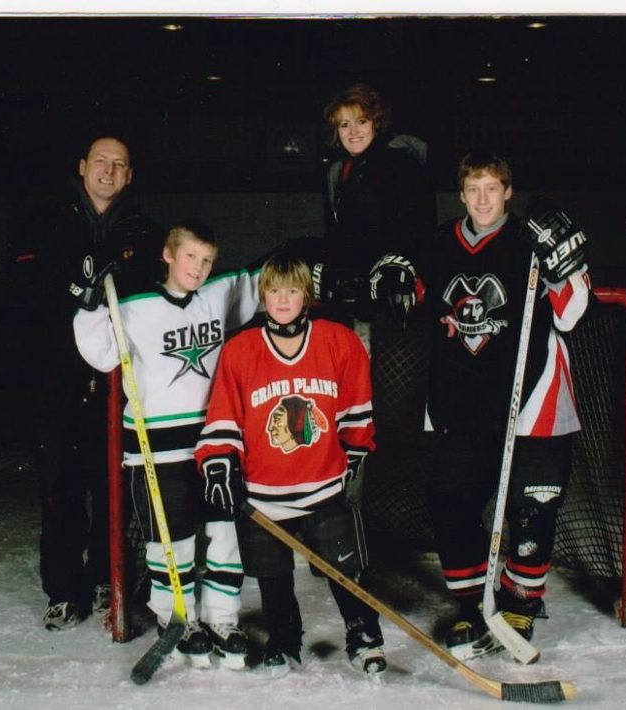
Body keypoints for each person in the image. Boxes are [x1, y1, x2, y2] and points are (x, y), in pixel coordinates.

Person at [369, 150, 590, 661]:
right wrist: (392, 277)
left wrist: (563, 262)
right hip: (465, 405)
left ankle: (520, 603)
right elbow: (407, 288)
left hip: (534, 400)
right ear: (461, 193)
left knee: (532, 510)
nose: (483, 199)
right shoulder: (441, 243)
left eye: (493, 188)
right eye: (473, 189)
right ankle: (475, 603)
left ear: (508, 191)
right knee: (448, 499)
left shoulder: (531, 241)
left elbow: (574, 313)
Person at [73, 221, 261, 668]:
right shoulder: (134, 307)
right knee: (170, 541)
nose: (199, 268)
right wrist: (91, 303)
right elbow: (98, 353)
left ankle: (221, 618)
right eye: (190, 257)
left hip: (213, 446)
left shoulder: (218, 294)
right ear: (168, 255)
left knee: (224, 535)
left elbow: (267, 283)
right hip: (155, 449)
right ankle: (176, 618)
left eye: (207, 260)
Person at [193, 251, 386, 677]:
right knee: (273, 577)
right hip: (264, 493)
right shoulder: (241, 350)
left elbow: (356, 408)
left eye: (292, 290)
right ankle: (285, 638)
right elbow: (224, 415)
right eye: (275, 290)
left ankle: (363, 633)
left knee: (345, 568)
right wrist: (220, 462)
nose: (283, 299)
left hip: (323, 485)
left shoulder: (339, 340)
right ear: (263, 296)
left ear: (307, 296)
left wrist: (354, 451)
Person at [8, 135, 161, 631]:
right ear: (82, 167)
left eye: (120, 163)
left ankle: (105, 578)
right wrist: (70, 290)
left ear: (130, 175)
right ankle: (62, 589)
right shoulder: (48, 219)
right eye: (101, 161)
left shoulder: (142, 227)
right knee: (59, 486)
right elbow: (22, 288)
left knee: (111, 482)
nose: (109, 170)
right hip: (57, 379)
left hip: (115, 383)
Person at [319, 83, 435, 330]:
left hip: (389, 297)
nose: (353, 132)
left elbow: (414, 230)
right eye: (344, 124)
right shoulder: (342, 170)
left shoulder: (398, 163)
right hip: (354, 297)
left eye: (361, 121)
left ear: (375, 123)